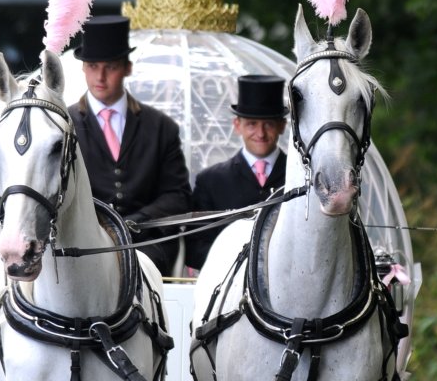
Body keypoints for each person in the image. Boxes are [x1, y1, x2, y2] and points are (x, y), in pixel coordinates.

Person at [68, 15, 192, 277]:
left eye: (110, 67)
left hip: (147, 247)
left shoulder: (161, 127)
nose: (100, 76)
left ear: (127, 68)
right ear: (83, 68)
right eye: (92, 66)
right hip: (83, 247)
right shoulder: (64, 126)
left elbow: (178, 196)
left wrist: (134, 223)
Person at [185, 75, 288, 271]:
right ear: (237, 125)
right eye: (252, 124)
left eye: (268, 124)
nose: (260, 133)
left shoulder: (300, 179)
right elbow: (194, 248)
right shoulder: (211, 180)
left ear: (282, 126)